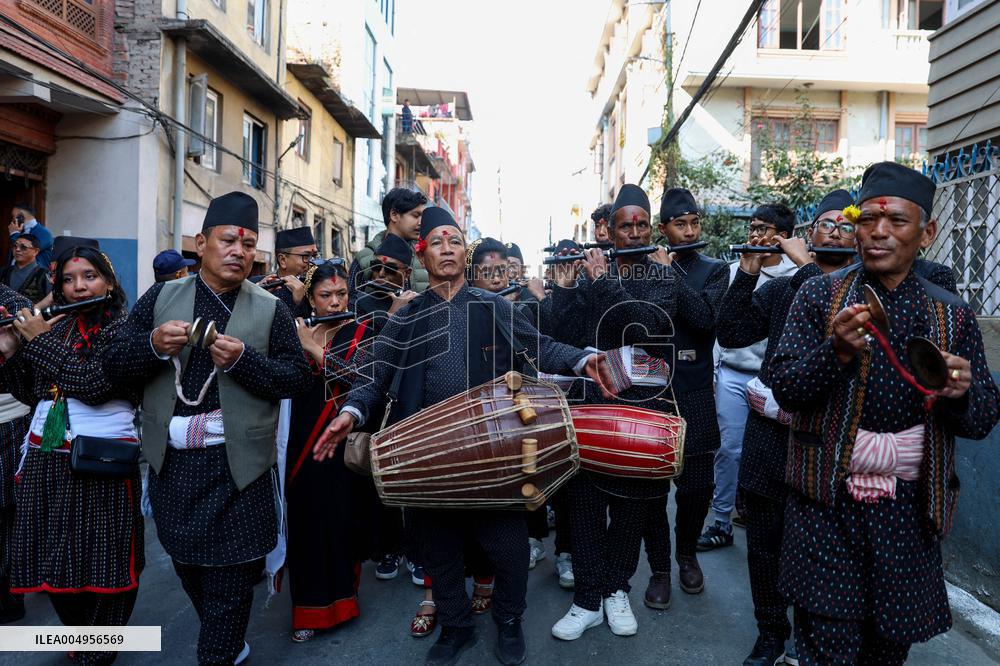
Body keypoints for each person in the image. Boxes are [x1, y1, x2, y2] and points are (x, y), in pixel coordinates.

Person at [316, 206, 616, 666]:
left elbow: (539, 346)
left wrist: (581, 359)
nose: (446, 249)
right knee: (437, 549)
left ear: (465, 252)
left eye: (454, 240)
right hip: (428, 452)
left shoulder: (493, 306)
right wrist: (353, 413)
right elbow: (375, 377)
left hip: (496, 450)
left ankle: (510, 620)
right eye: (436, 242)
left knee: (508, 547)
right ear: (423, 254)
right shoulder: (407, 316)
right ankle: (456, 626)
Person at [771, 162, 1000, 664]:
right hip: (826, 506)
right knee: (826, 647)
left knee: (887, 650)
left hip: (909, 512)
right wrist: (836, 352)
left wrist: (959, 391)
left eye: (897, 221)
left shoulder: (951, 314)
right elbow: (786, 388)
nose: (878, 232)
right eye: (868, 219)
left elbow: (982, 418)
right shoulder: (818, 296)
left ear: (927, 233)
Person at [103, 192, 311, 665]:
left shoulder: (272, 308)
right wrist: (153, 345)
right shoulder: (161, 298)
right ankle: (229, 638)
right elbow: (113, 362)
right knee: (188, 565)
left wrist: (244, 361)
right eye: (229, 239)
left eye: (249, 243)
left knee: (230, 583)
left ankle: (220, 649)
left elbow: (295, 378)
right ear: (201, 244)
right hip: (174, 464)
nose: (239, 250)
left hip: (241, 469)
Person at [715, 189, 856, 665]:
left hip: (827, 447)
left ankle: (807, 638)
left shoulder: (867, 290)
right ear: (808, 234)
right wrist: (751, 269)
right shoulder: (784, 288)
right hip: (770, 440)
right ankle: (770, 631)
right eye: (824, 224)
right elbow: (731, 332)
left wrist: (808, 268)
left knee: (817, 549)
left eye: (844, 225)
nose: (833, 232)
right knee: (764, 543)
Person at [547, 185, 680, 640]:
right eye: (627, 226)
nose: (636, 231)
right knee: (583, 505)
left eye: (643, 223)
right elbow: (559, 335)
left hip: (642, 407)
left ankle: (616, 589)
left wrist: (605, 283)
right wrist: (566, 289)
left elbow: (650, 329)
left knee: (632, 507)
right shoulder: (589, 272)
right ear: (611, 230)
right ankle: (587, 599)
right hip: (590, 406)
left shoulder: (661, 277)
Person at [1, 245, 142, 666]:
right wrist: (11, 349)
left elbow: (94, 384)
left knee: (107, 557)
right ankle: (81, 637)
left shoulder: (124, 330)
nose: (79, 287)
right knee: (54, 557)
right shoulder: (56, 327)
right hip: (47, 458)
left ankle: (101, 647)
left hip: (103, 461)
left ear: (109, 282)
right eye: (67, 279)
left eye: (89, 277)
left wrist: (38, 341)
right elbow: (30, 392)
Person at [638, 187, 728, 609]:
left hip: (694, 391)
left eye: (694, 222)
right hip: (651, 392)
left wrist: (669, 274)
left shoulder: (714, 270)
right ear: (664, 230)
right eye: (680, 224)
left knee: (696, 488)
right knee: (653, 493)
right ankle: (658, 569)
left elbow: (706, 320)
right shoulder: (641, 269)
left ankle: (686, 554)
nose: (690, 231)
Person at [700, 203, 799, 551]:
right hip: (731, 375)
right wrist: (713, 374)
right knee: (728, 450)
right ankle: (721, 521)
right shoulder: (733, 272)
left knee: (771, 455)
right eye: (752, 228)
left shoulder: (795, 276)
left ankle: (769, 525)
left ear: (783, 237)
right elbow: (719, 331)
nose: (755, 235)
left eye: (764, 229)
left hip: (773, 384)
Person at [285, 261, 375, 642]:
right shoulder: (295, 330)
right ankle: (307, 610)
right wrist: (304, 342)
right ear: (310, 298)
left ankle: (343, 600)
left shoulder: (364, 331)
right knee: (304, 526)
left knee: (341, 523)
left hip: (342, 446)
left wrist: (314, 350)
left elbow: (364, 379)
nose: (336, 303)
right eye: (326, 296)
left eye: (342, 295)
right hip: (299, 445)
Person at [0, 285, 31, 624]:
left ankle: (9, 594)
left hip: (7, 421)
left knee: (6, 510)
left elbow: (24, 362)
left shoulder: (12, 303)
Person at [348, 188, 429, 305]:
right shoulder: (365, 258)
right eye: (415, 215)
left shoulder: (424, 257)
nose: (421, 222)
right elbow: (350, 303)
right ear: (394, 215)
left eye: (422, 216)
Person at [355, 233, 419, 336]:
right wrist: (392, 314)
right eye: (376, 266)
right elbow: (368, 348)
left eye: (390, 269)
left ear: (407, 273)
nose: (381, 274)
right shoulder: (359, 303)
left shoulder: (417, 303)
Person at [255, 226, 318, 310]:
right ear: (283, 260)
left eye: (314, 256)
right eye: (306, 256)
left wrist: (301, 302)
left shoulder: (318, 288)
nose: (312, 263)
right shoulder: (257, 285)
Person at [0, 233, 51, 303]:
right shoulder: (4, 272)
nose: (17, 249)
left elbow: (51, 301)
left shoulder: (44, 274)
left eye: (23, 247)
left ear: (36, 251)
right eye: (15, 246)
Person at [8, 204, 53, 268]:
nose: (12, 220)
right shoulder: (20, 231)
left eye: (13, 216)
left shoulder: (44, 233)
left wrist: (14, 233)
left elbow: (25, 249)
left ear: (20, 216)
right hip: (15, 272)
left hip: (34, 274)